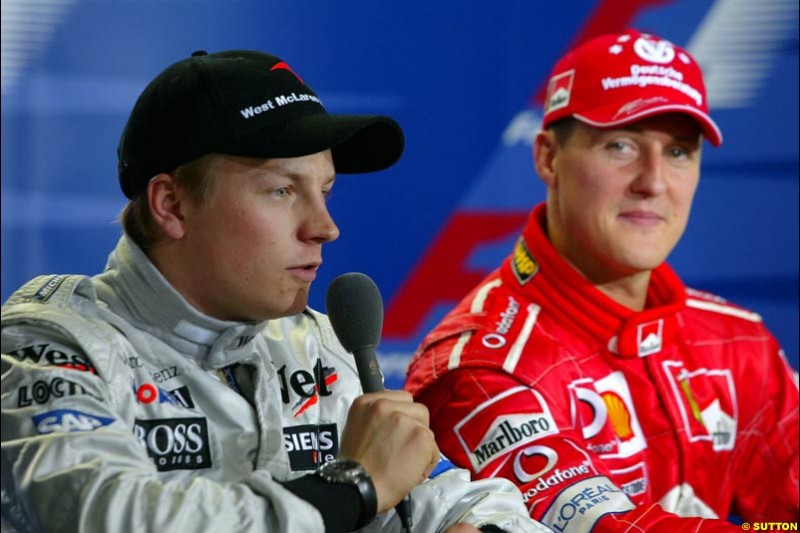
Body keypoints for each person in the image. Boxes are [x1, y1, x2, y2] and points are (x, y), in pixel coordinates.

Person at [0, 49, 551, 533]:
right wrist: (353, 487)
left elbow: (459, 500)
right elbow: (113, 517)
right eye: (282, 190)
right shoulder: (48, 347)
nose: (325, 226)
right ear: (172, 205)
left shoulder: (316, 344)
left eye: (326, 191)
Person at [405, 29, 799, 532]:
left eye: (679, 152)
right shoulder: (481, 369)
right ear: (548, 157)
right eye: (620, 145)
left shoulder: (737, 339)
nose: (653, 181)